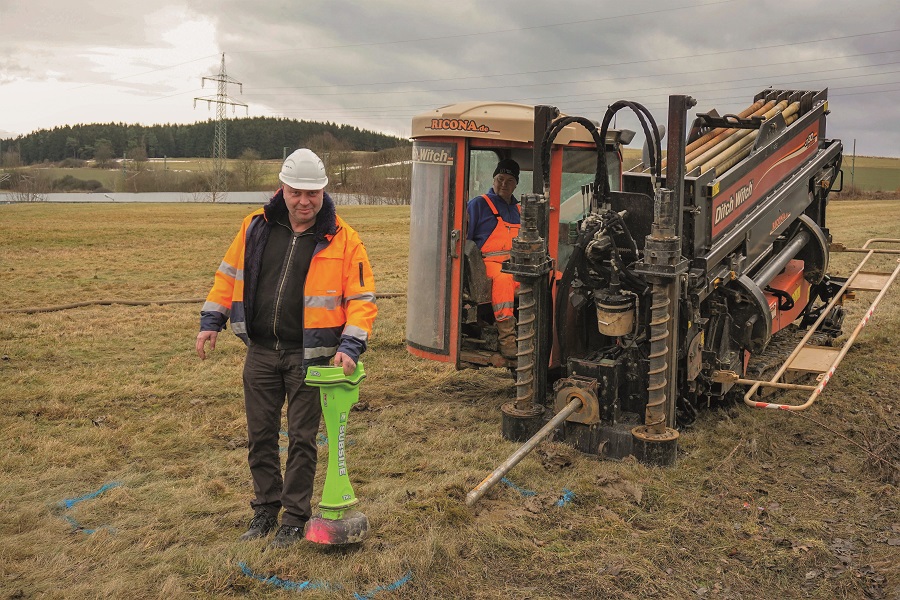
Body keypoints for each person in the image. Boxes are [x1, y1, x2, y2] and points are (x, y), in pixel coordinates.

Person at [195, 148, 377, 549]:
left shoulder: (344, 240)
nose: (304, 201)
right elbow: (227, 277)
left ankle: (295, 517)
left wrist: (350, 345)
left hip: (309, 357)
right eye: (296, 192)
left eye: (312, 193)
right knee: (260, 436)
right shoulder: (253, 228)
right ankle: (264, 509)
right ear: (283, 189)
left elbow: (362, 300)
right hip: (260, 351)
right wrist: (212, 322)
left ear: (324, 192)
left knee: (301, 439)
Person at [465, 158, 521, 359]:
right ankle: (507, 339)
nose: (503, 184)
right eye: (500, 179)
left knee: (550, 277)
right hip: (488, 264)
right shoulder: (479, 204)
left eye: (509, 180)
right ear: (493, 179)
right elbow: (465, 241)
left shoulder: (519, 210)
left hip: (516, 266)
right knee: (504, 280)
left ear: (516, 184)